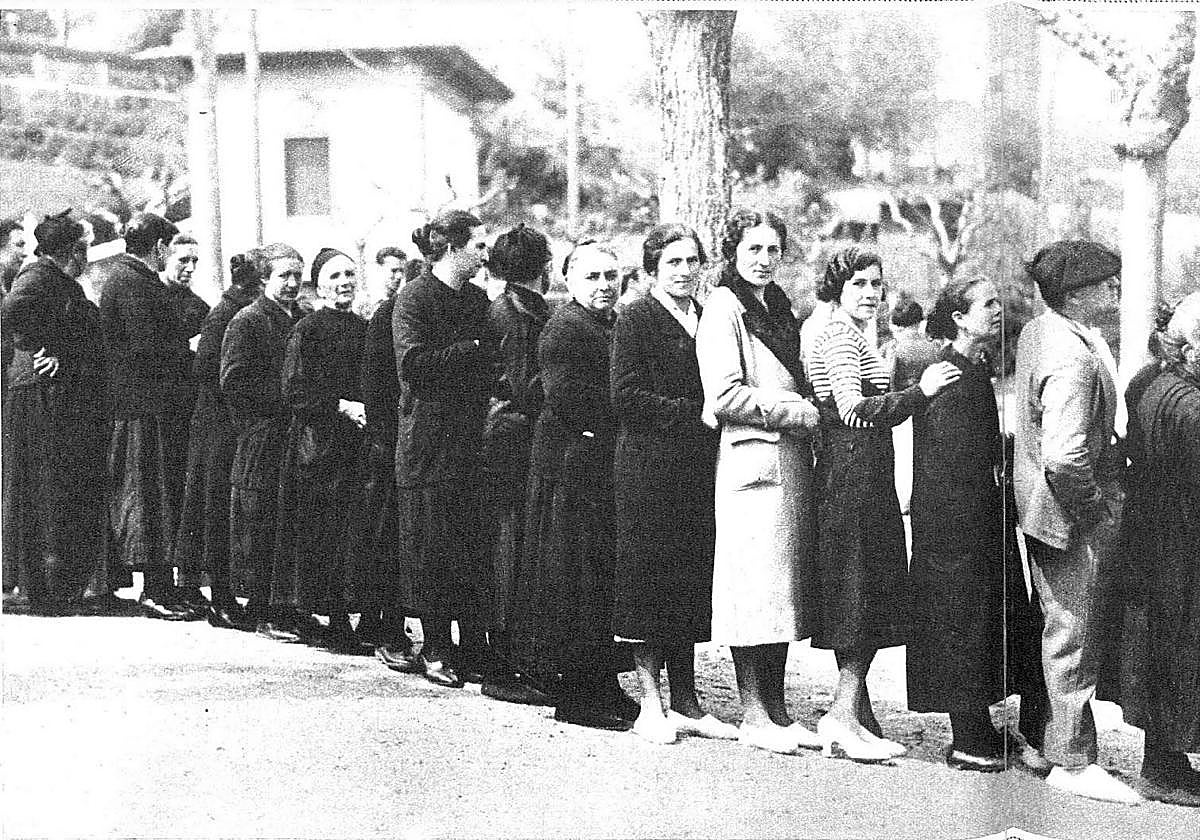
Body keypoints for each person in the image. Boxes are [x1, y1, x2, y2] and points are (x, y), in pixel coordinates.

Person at [807, 247, 961, 762]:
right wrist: (922, 393)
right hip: (850, 476)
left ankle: (851, 714)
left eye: (876, 285)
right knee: (858, 593)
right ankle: (841, 715)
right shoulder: (836, 336)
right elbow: (853, 411)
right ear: (837, 288)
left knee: (868, 591)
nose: (871, 294)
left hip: (865, 473)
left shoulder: (857, 335)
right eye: (859, 285)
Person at [1013, 240, 1141, 804]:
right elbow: (1066, 456)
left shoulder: (1042, 330)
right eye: (1106, 284)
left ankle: (1046, 742)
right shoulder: (1074, 356)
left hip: (1041, 505)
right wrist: (1098, 512)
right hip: (1067, 513)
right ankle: (1071, 758)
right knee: (1073, 636)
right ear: (1076, 293)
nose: (1115, 292)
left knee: (1059, 627)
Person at [906, 277, 1048, 771]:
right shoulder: (946, 373)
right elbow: (951, 459)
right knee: (961, 623)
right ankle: (967, 737)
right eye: (985, 305)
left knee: (986, 622)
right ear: (959, 318)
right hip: (955, 527)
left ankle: (981, 726)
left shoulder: (975, 366)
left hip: (978, 520)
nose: (996, 311)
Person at [694, 211, 821, 753]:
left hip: (788, 465)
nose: (765, 260)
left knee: (781, 592)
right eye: (754, 249)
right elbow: (723, 396)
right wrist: (796, 411)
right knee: (753, 590)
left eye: (773, 249)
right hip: (752, 465)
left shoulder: (776, 305)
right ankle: (752, 711)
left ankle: (777, 706)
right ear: (733, 251)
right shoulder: (724, 307)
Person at [613, 223, 735, 744]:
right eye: (673, 263)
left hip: (694, 467)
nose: (685, 272)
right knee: (649, 579)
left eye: (692, 262)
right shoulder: (635, 316)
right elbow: (626, 396)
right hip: (647, 466)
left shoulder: (706, 316)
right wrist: (695, 414)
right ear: (652, 270)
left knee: (687, 577)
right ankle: (651, 701)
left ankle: (687, 698)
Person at [508, 240, 638, 731]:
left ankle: (604, 684)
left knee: (599, 579)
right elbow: (571, 401)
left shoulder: (609, 322)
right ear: (568, 282)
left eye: (611, 276)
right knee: (574, 579)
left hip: (597, 465)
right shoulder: (566, 327)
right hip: (572, 468)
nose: (604, 286)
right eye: (593, 278)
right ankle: (577, 695)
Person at [1100, 292, 1200, 806]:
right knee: (1182, 646)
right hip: (1182, 536)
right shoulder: (1191, 405)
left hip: (1149, 530)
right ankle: (1164, 768)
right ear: (1189, 347)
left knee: (1161, 644)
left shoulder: (1147, 381)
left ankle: (1164, 760)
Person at [392, 210, 494, 688]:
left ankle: (472, 647)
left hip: (470, 442)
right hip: (428, 447)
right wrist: (471, 349)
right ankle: (435, 648)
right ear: (453, 249)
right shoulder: (413, 298)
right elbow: (414, 366)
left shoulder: (476, 298)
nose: (484, 253)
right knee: (432, 551)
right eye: (478, 245)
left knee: (468, 548)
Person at [1, 211, 108, 614]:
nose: (87, 255)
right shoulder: (38, 279)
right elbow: (13, 314)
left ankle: (53, 586)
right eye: (84, 248)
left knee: (55, 491)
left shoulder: (56, 280)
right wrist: (45, 346)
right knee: (45, 490)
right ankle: (41, 589)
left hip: (55, 400)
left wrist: (61, 351)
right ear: (72, 251)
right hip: (41, 402)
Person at [96, 212, 198, 619]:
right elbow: (145, 348)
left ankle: (165, 587)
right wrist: (186, 346)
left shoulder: (127, 278)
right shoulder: (132, 282)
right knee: (149, 499)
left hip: (149, 406)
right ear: (157, 248)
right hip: (142, 409)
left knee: (159, 497)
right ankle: (155, 589)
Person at [272, 248, 369, 651]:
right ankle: (328, 618)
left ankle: (348, 616)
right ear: (320, 284)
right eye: (335, 276)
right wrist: (341, 406)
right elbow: (295, 390)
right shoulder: (308, 330)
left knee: (351, 531)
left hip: (356, 444)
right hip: (320, 444)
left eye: (350, 274)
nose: (344, 282)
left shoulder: (363, 327)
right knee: (322, 531)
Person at [478, 224, 554, 705]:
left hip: (511, 433)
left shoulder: (515, 307)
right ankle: (504, 667)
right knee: (511, 549)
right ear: (541, 267)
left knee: (518, 548)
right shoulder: (513, 314)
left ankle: (516, 659)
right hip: (512, 437)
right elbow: (526, 385)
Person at [173, 251, 264, 629]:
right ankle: (220, 599)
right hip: (217, 425)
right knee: (214, 511)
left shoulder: (235, 309)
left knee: (217, 509)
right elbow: (205, 368)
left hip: (226, 422)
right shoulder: (228, 313)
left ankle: (215, 593)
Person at [221, 243, 307, 639]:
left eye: (296, 275)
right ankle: (262, 609)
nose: (291, 283)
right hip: (262, 434)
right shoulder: (248, 320)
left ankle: (287, 606)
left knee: (289, 519)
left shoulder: (303, 318)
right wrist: (284, 398)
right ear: (264, 279)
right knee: (259, 519)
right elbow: (234, 382)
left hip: (295, 433)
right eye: (283, 276)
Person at [357, 247, 418, 670]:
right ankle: (385, 627)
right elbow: (375, 385)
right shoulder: (387, 316)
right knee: (386, 539)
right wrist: (388, 438)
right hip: (390, 444)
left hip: (411, 442)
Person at [160, 233, 210, 605]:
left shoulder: (198, 308)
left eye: (194, 261)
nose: (189, 268)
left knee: (186, 496)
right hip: (164, 412)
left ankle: (188, 581)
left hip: (188, 412)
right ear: (165, 257)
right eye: (182, 261)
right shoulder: (154, 300)